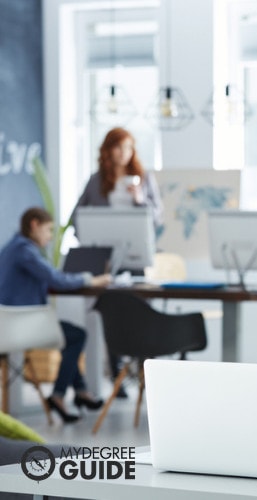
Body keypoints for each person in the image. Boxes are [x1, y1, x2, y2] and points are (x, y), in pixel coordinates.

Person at [71, 127, 163, 397]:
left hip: (135, 256)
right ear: (108, 149)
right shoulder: (96, 180)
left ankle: (143, 373)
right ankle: (117, 374)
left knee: (140, 312)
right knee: (111, 313)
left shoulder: (144, 179)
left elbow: (157, 217)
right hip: (104, 260)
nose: (124, 153)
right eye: (119, 147)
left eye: (129, 147)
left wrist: (139, 199)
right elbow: (78, 217)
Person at [0, 208, 111, 423]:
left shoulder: (10, 249)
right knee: (76, 335)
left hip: (7, 326)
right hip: (20, 327)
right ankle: (60, 395)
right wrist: (90, 280)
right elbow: (56, 279)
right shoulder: (25, 251)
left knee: (67, 338)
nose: (51, 236)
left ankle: (79, 391)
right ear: (34, 225)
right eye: (48, 229)